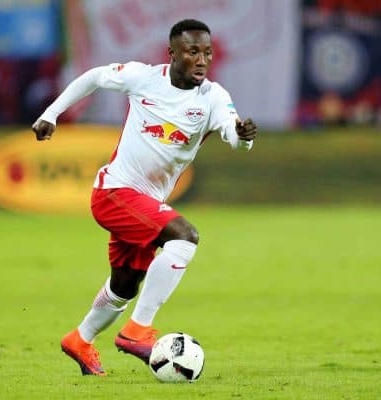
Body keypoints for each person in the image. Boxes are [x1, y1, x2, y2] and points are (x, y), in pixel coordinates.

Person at [31, 19, 257, 376]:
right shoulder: (142, 77)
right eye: (192, 51)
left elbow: (233, 134)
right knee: (185, 238)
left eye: (207, 53)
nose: (201, 60)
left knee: (124, 285)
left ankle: (80, 339)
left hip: (143, 203)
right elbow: (93, 77)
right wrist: (51, 114)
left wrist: (243, 135)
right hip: (115, 193)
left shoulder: (212, 97)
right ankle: (137, 331)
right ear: (172, 54)